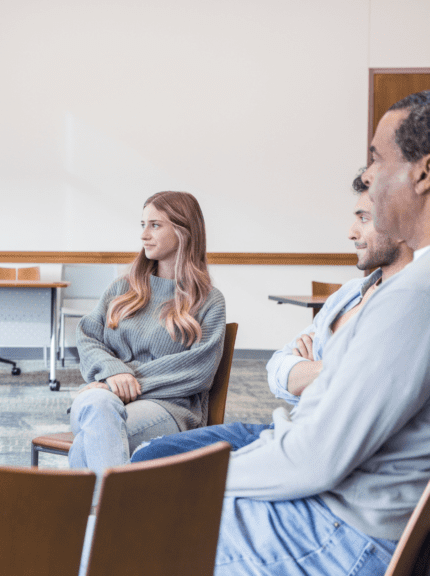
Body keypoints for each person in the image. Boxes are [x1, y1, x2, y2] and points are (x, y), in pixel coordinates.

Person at [203, 91, 430, 575]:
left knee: (129, 529)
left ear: (423, 174)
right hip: (349, 511)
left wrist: (195, 482)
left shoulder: (415, 295)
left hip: (343, 532)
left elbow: (315, 457)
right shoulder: (399, 292)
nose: (367, 176)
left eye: (376, 158)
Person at [130, 176, 413, 462]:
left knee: (161, 473)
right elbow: (276, 369)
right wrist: (324, 370)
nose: (351, 233)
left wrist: (312, 370)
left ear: (402, 224)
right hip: (287, 428)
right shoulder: (349, 293)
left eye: (364, 218)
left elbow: (359, 388)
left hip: (314, 446)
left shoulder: (405, 307)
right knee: (150, 454)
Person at [68, 191, 226, 477]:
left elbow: (198, 370)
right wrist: (113, 373)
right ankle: (116, 517)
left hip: (168, 407)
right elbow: (87, 335)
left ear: (184, 232)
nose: (143, 235)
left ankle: (97, 519)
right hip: (104, 397)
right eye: (142, 224)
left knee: (86, 443)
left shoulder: (208, 301)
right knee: (98, 407)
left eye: (155, 225)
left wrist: (120, 382)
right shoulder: (122, 288)